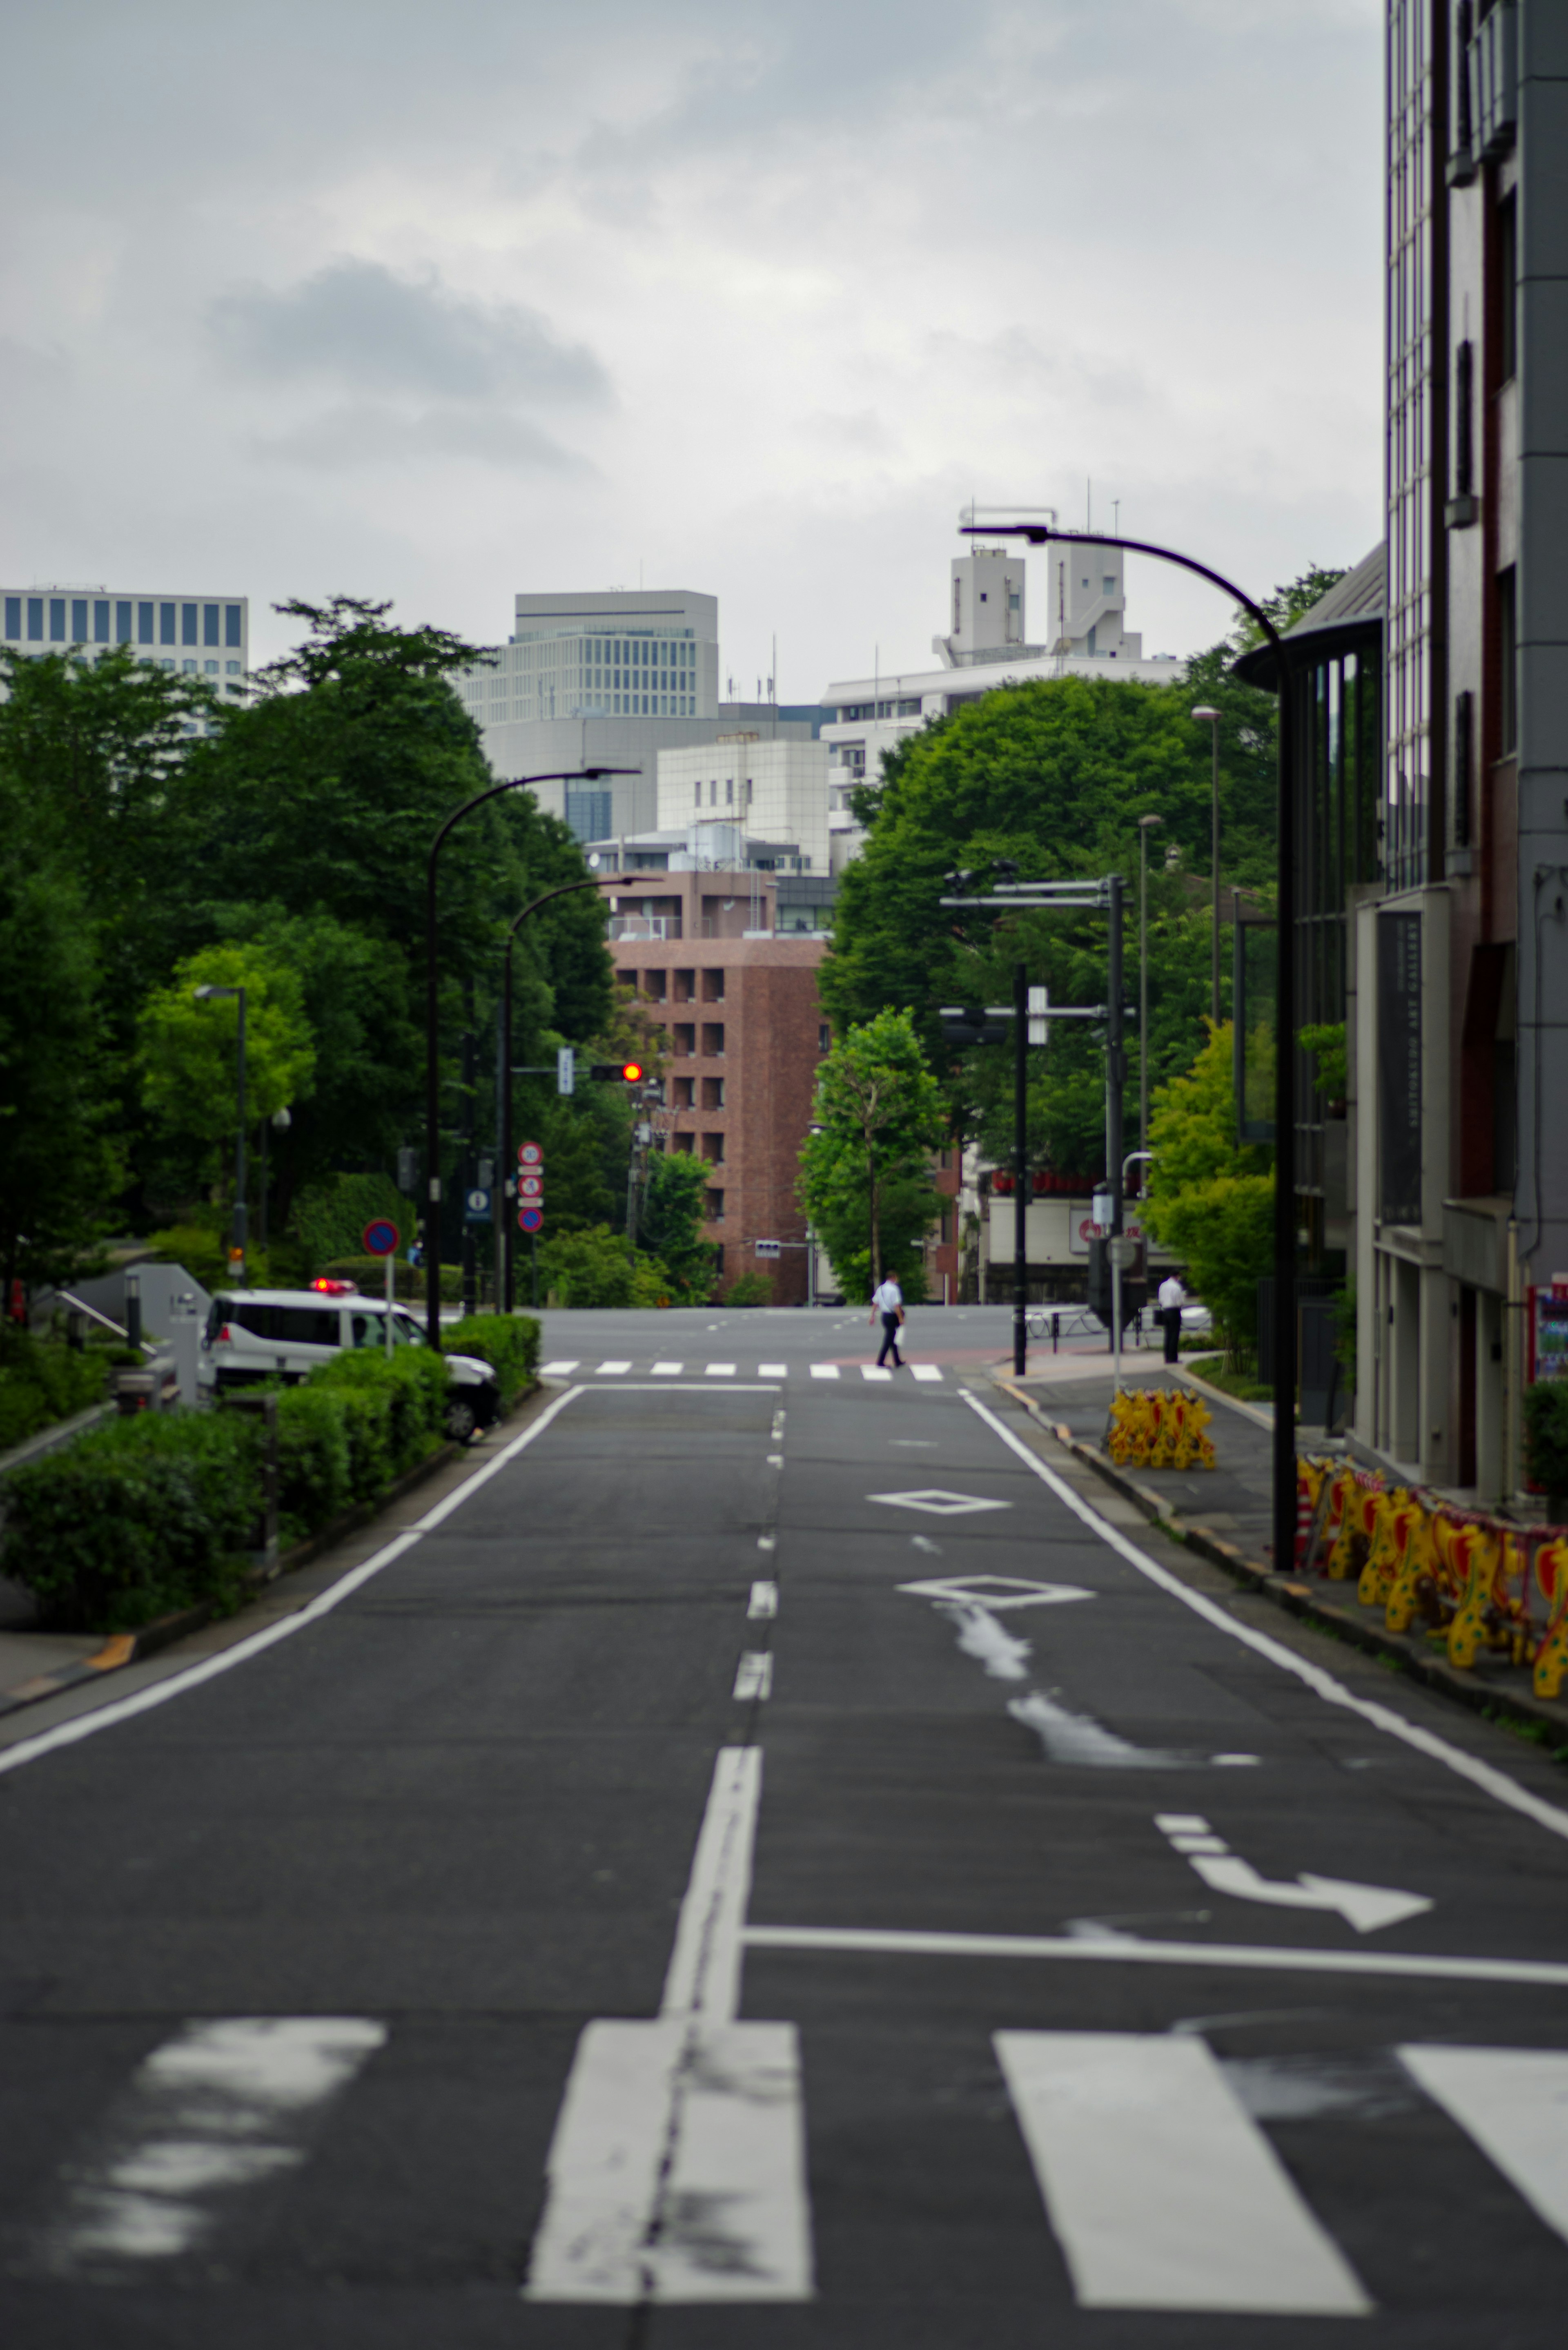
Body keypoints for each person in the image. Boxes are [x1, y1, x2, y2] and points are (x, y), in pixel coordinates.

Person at [869, 1271, 905, 1368]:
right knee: (889, 1339)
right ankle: (880, 1361)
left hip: (884, 1316)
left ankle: (897, 1361)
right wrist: (901, 1318)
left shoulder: (880, 1289)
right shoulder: (894, 1289)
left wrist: (872, 1316)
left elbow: (875, 1303)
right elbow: (897, 1305)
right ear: (893, 1278)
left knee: (892, 1338)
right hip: (892, 1316)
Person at [1157, 1270, 1187, 1366]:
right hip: (1174, 1311)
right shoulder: (1177, 1287)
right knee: (1175, 1335)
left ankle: (1167, 1357)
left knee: (1168, 1334)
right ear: (1177, 1276)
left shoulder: (1163, 1285)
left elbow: (1160, 1299)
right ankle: (1173, 1358)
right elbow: (1179, 1302)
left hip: (1165, 1311)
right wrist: (1184, 1297)